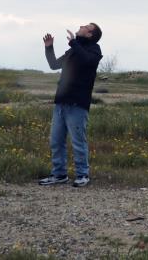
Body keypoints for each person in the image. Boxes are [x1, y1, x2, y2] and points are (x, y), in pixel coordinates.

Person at [38, 23, 103, 187]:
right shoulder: (73, 49)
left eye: (86, 26)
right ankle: (59, 174)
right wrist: (49, 48)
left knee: (78, 141)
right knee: (56, 141)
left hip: (77, 104)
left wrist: (74, 42)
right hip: (61, 103)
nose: (81, 25)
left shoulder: (94, 49)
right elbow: (53, 65)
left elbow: (87, 60)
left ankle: (82, 175)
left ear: (90, 34)